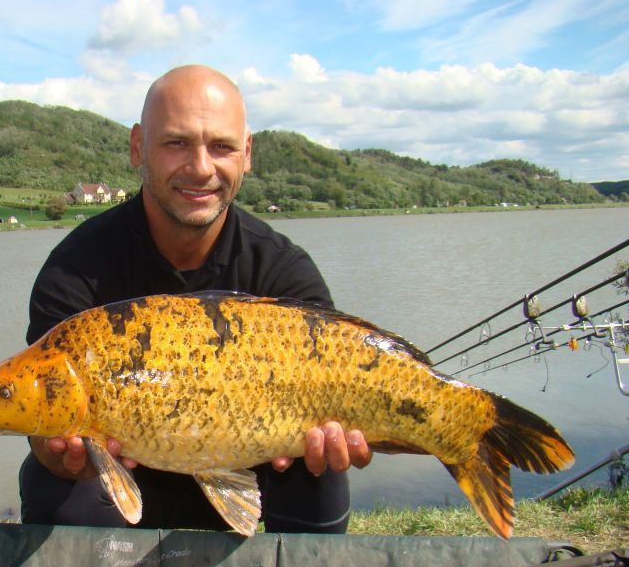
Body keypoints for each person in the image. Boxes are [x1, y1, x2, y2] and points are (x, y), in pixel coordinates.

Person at [19, 64, 371, 533]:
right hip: (129, 487)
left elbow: (348, 399)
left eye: (221, 146)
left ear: (246, 154)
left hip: (258, 472)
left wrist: (341, 441)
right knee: (52, 487)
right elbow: (41, 420)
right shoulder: (75, 270)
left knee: (320, 476)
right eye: (176, 143)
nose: (201, 167)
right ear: (137, 146)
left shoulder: (283, 270)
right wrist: (58, 454)